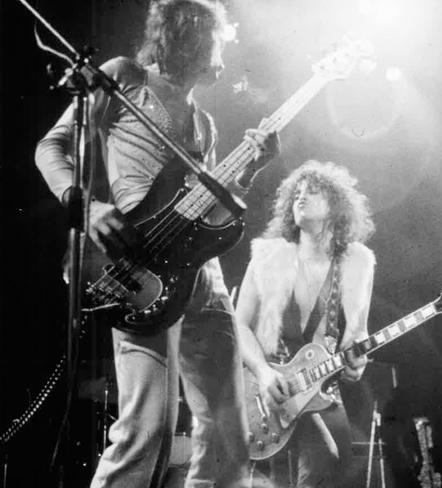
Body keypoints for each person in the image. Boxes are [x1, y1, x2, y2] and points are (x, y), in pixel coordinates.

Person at [34, 1, 280, 487]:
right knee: (148, 431)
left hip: (203, 277)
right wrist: (86, 206)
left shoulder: (204, 123)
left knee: (232, 435)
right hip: (139, 266)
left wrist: (248, 172)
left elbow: (206, 209)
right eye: (220, 40)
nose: (226, 53)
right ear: (190, 35)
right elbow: (50, 147)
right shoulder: (122, 79)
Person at [235, 160, 376, 487]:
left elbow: (359, 333)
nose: (301, 197)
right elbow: (238, 324)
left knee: (329, 465)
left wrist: (359, 361)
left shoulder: (357, 263)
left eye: (312, 192)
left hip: (321, 390)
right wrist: (264, 371)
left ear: (336, 208)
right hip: (267, 392)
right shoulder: (267, 256)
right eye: (297, 193)